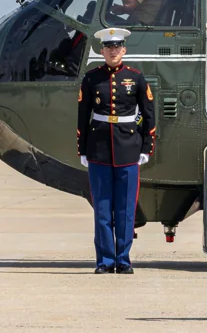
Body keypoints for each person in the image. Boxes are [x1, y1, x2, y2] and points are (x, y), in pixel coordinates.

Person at [77, 28, 156, 275]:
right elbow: (82, 115)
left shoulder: (136, 77)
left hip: (128, 148)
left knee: (125, 208)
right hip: (99, 148)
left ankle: (123, 259)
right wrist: (82, 148)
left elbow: (149, 113)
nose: (112, 51)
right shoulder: (91, 79)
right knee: (102, 208)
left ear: (124, 50)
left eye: (117, 47)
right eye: (108, 47)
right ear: (102, 51)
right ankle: (105, 260)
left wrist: (146, 147)